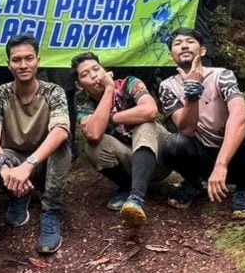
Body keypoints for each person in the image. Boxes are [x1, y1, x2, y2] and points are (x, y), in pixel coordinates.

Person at [158, 28, 245, 220]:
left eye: (190, 41)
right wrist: (192, 93)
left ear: (203, 51)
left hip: (232, 156)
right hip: (201, 155)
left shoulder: (222, 75)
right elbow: (187, 128)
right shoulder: (167, 86)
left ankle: (244, 189)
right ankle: (193, 183)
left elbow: (240, 116)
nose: (184, 46)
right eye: (177, 44)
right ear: (171, 55)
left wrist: (221, 164)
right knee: (173, 144)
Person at [0, 34, 71, 254]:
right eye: (16, 60)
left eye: (29, 58)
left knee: (63, 145)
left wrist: (28, 165)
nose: (23, 65)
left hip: (42, 161)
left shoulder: (53, 91)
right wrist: (6, 172)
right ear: (8, 64)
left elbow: (60, 131)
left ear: (38, 60)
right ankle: (18, 196)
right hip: (14, 161)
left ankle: (50, 210)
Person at [72, 52, 171, 227]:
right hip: (129, 161)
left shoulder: (129, 83)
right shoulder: (85, 103)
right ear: (79, 84)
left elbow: (150, 111)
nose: (94, 75)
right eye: (85, 74)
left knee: (145, 124)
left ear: (105, 71)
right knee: (93, 146)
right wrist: (108, 91)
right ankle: (127, 187)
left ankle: (136, 197)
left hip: (159, 156)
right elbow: (93, 134)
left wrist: (113, 117)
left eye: (96, 69)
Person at [32, 0, 104, 153]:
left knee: (83, 94)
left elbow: (107, 0)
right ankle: (59, 143)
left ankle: (84, 143)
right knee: (60, 95)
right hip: (55, 42)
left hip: (86, 39)